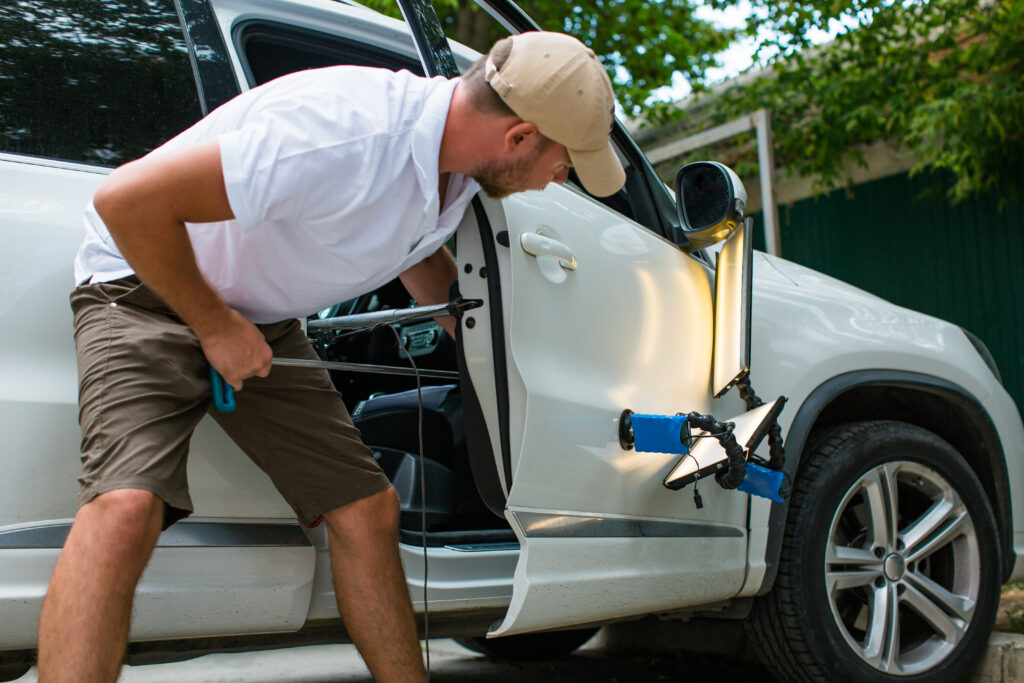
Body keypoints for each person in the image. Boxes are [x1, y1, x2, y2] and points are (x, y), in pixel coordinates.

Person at [37, 30, 624, 682]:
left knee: (366, 508)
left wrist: (484, 350)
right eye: (563, 163)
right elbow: (126, 202)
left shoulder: (454, 167)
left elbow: (415, 251)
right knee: (126, 507)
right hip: (144, 283)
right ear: (518, 138)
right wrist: (216, 326)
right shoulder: (343, 136)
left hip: (254, 315)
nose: (557, 180)